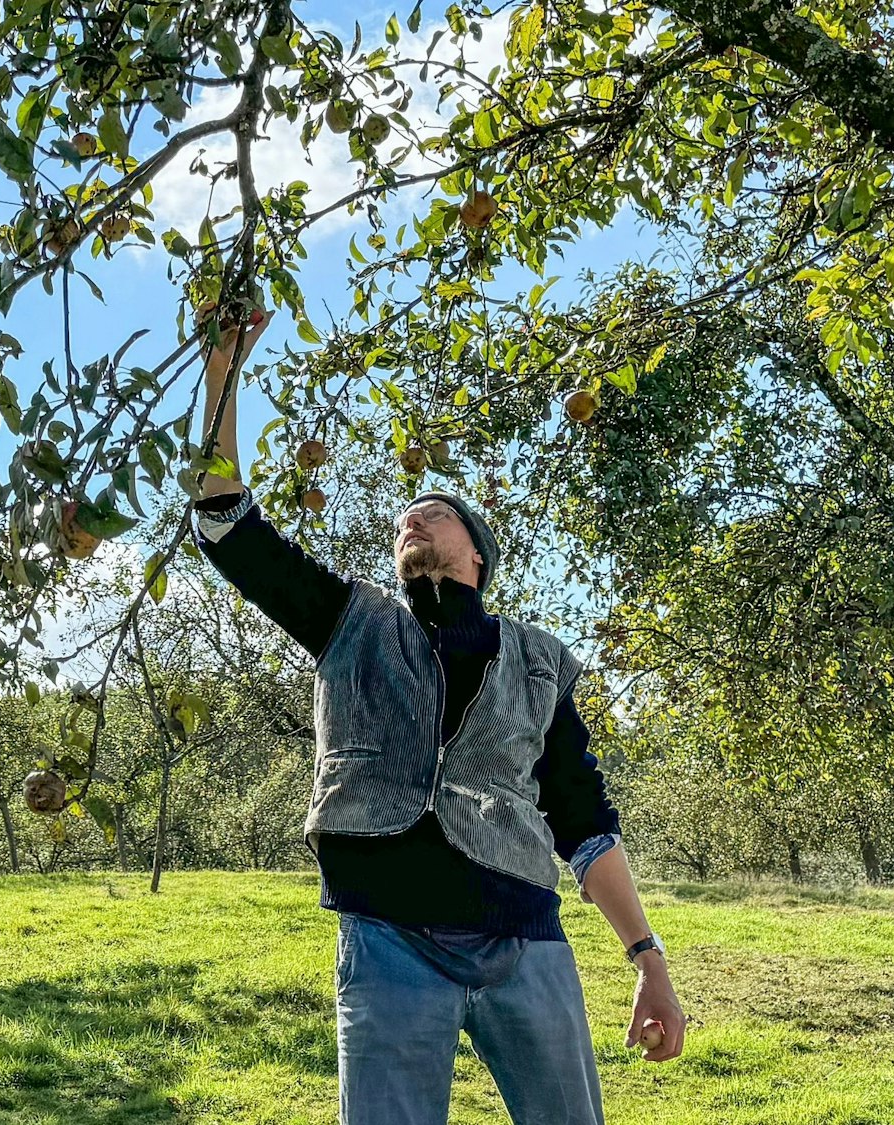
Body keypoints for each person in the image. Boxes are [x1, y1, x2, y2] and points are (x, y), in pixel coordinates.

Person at [188, 305, 685, 1125]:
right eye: (402, 520)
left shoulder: (539, 661)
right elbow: (226, 526)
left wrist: (648, 959)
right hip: (388, 937)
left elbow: (587, 825)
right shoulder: (350, 621)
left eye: (433, 510)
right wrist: (222, 374)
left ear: (477, 551)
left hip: (525, 940)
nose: (409, 518)